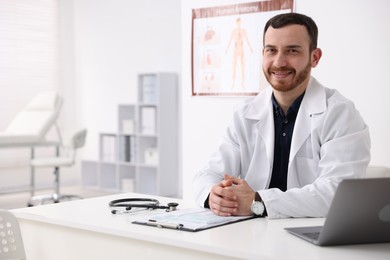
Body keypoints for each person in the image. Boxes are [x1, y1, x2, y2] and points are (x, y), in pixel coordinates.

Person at [192, 13, 370, 219]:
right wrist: (213, 195)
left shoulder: (340, 114)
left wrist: (257, 203)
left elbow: (337, 193)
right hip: (251, 235)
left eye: (292, 51)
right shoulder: (245, 113)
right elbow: (207, 175)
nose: (279, 62)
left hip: (311, 236)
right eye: (271, 50)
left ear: (315, 57)